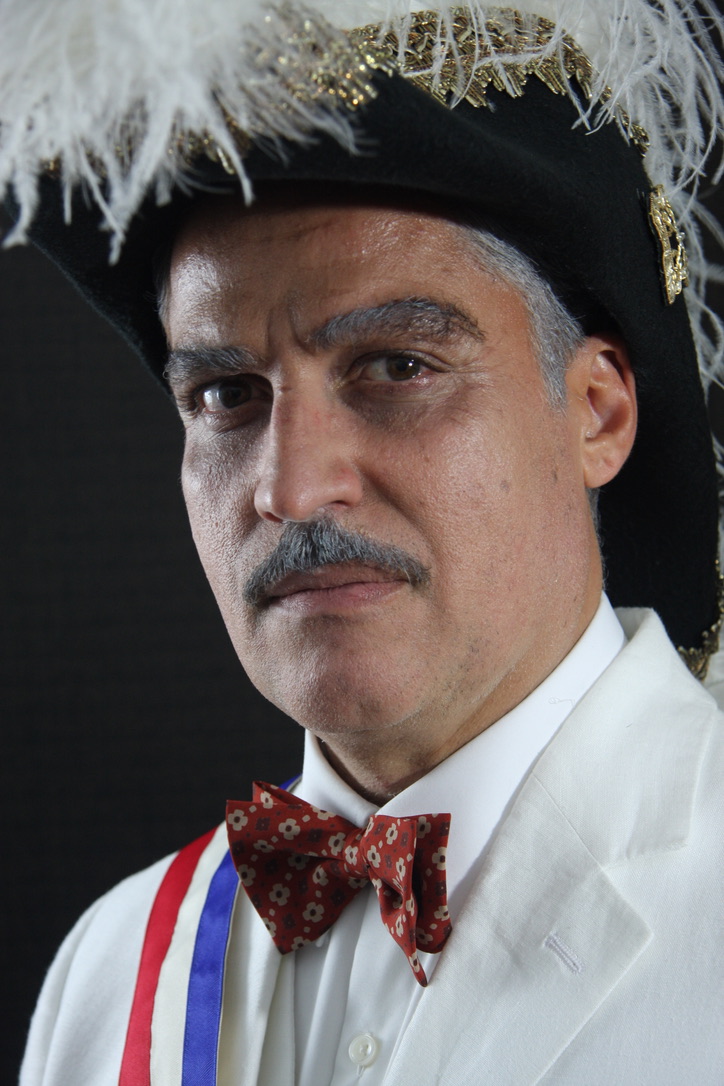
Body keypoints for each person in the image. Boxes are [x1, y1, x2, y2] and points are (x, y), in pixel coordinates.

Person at [4, 1, 724, 1083]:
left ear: (596, 414)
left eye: (396, 367)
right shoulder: (108, 973)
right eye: (227, 393)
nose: (292, 488)